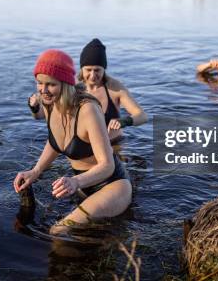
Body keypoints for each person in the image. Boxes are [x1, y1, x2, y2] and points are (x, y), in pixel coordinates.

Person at [14, 49, 132, 234]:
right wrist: (35, 171)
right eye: (39, 83)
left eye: (51, 84)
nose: (43, 90)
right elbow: (55, 142)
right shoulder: (50, 102)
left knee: (57, 231)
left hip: (112, 186)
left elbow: (107, 165)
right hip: (83, 187)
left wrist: (75, 182)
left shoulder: (87, 110)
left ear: (65, 83)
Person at [28, 38, 148, 142]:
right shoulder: (72, 88)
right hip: (83, 147)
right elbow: (41, 116)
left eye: (97, 70)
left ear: (104, 69)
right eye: (88, 70)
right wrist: (35, 107)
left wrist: (123, 121)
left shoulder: (114, 88)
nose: (92, 75)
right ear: (82, 69)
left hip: (114, 143)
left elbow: (142, 116)